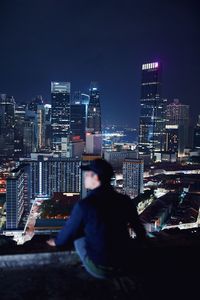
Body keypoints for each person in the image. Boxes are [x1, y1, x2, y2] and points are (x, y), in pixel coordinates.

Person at [46, 158, 147, 279]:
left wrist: (56, 242)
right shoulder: (124, 200)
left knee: (78, 235)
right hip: (125, 263)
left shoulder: (85, 205)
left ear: (96, 177)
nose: (85, 177)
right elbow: (140, 231)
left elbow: (68, 234)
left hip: (99, 268)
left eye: (88, 174)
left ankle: (86, 263)